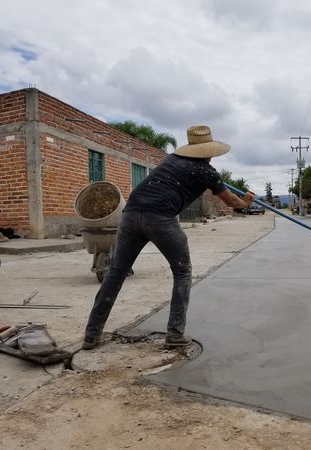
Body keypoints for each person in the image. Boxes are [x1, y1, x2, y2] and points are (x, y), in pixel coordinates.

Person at [82, 125, 254, 350]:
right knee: (182, 271)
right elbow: (233, 202)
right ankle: (175, 334)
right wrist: (247, 201)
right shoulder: (207, 172)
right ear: (209, 151)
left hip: (130, 215)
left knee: (115, 273)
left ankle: (91, 335)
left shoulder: (171, 160)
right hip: (160, 218)